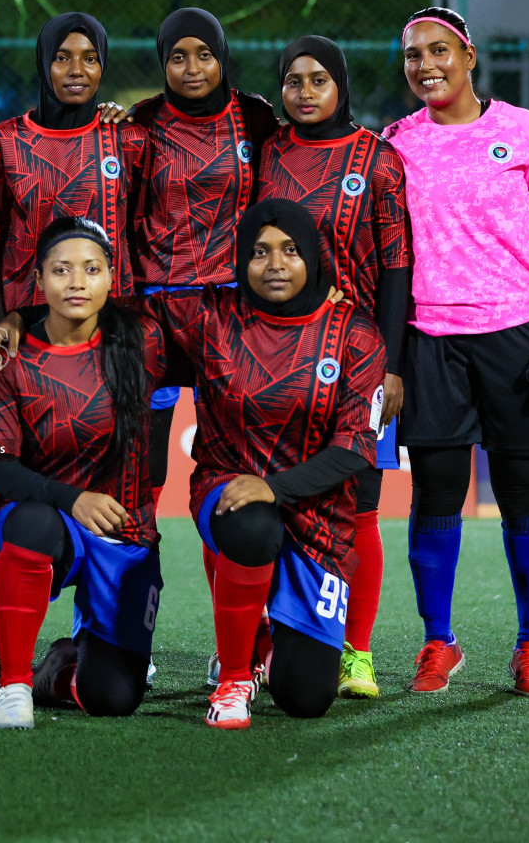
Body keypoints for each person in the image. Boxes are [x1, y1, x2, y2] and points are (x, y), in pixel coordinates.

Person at [387, 6, 529, 697]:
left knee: (524, 493)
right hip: (431, 342)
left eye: (439, 51)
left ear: (469, 55)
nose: (426, 66)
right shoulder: (396, 144)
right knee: (436, 494)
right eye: (413, 56)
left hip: (517, 337)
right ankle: (438, 643)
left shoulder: (525, 130)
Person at [171, 199, 385, 729]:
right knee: (250, 524)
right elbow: (118, 310)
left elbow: (355, 448)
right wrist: (20, 320)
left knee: (306, 698)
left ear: (313, 257)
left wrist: (277, 486)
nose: (275, 265)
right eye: (260, 252)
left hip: (318, 513)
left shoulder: (356, 333)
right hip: (228, 487)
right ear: (240, 259)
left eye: (290, 251)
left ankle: (270, 647)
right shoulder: (209, 315)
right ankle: (233, 679)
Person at [257, 36, 412, 699]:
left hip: (357, 359)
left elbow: (398, 268)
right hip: (279, 358)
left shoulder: (377, 160)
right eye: (293, 80)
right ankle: (266, 642)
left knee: (362, 508)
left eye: (318, 78)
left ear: (340, 84)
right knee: (276, 501)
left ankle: (358, 651)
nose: (305, 91)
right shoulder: (269, 153)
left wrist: (393, 366)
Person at [0, 216, 163, 730]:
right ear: (38, 281)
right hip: (52, 523)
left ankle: (59, 667)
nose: (77, 282)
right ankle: (15, 685)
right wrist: (72, 499)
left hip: (125, 532)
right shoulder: (8, 357)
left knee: (114, 697)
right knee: (29, 522)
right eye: (61, 271)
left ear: (112, 277)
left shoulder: (143, 340)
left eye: (91, 269)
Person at [130, 8, 279, 542]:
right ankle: (118, 618)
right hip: (154, 314)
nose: (192, 68)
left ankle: (249, 610)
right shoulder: (140, 121)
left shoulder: (256, 119)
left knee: (235, 466)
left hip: (232, 313)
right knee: (142, 468)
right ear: (162, 62)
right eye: (177, 57)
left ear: (222, 57)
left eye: (205, 54)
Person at [0, 12, 144, 316]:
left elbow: (140, 237)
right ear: (44, 63)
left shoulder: (129, 140)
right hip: (28, 323)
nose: (77, 71)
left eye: (90, 59)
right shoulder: (4, 144)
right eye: (62, 58)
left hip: (111, 323)